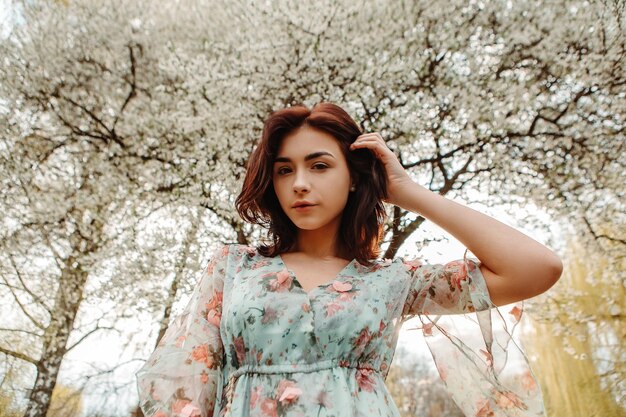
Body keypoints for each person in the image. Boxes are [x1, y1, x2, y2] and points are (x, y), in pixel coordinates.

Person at [136, 102, 563, 417]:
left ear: (354, 178)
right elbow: (188, 390)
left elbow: (537, 268)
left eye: (319, 166)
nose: (300, 183)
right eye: (285, 170)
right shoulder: (234, 268)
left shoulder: (394, 281)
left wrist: (409, 193)